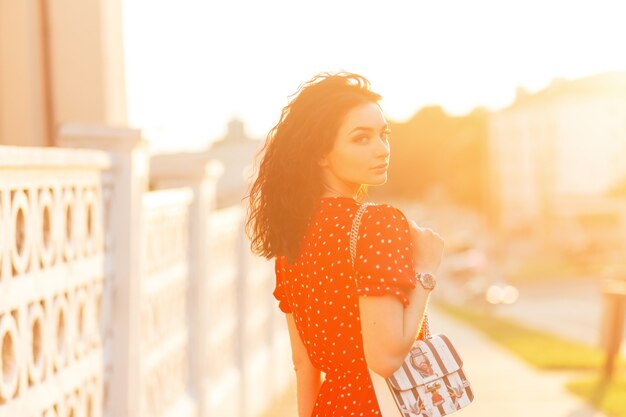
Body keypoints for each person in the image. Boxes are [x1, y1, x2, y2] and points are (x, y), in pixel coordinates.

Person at [245, 71, 445, 417]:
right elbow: (385, 358)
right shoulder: (376, 223)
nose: (382, 150)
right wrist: (426, 272)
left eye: (384, 135)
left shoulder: (293, 238)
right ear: (321, 153)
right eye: (361, 139)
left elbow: (303, 365)